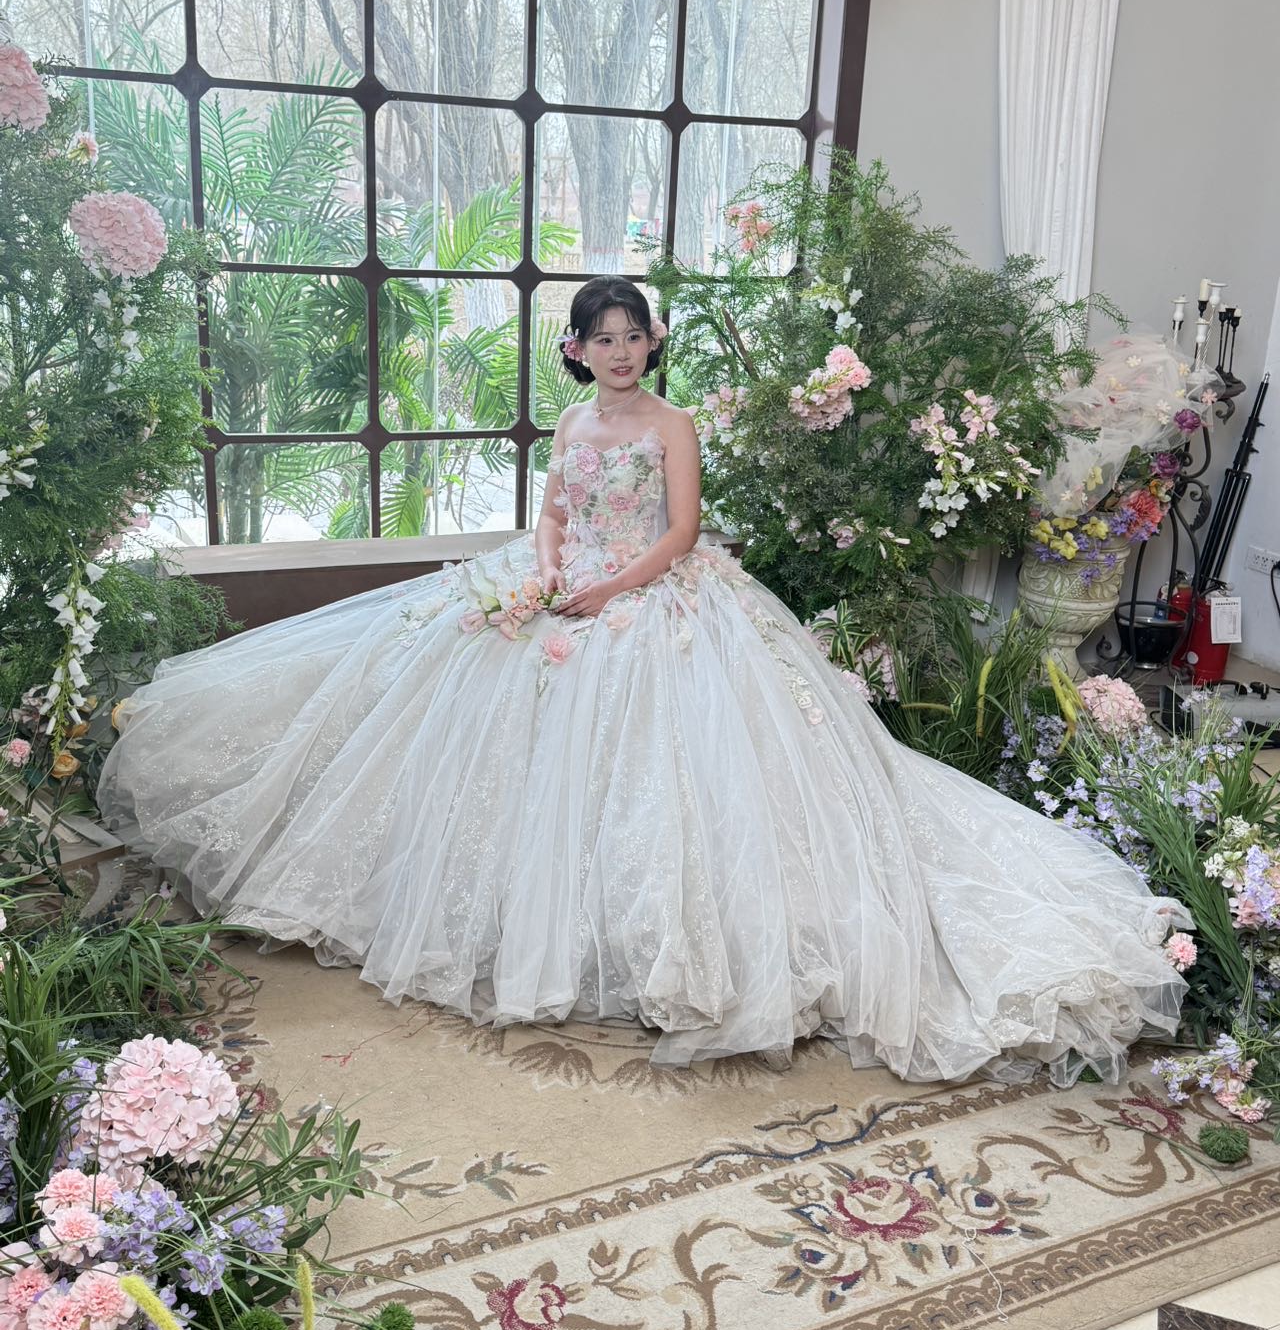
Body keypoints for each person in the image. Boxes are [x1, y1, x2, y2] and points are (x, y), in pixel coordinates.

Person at [96, 276, 1190, 1084]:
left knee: (674, 767)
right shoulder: (574, 421)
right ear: (575, 351)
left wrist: (607, 590)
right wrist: (542, 573)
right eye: (601, 339)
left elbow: (680, 531)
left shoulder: (673, 423)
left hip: (656, 594)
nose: (618, 353)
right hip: (563, 584)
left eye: (633, 337)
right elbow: (552, 510)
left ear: (651, 344)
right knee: (451, 710)